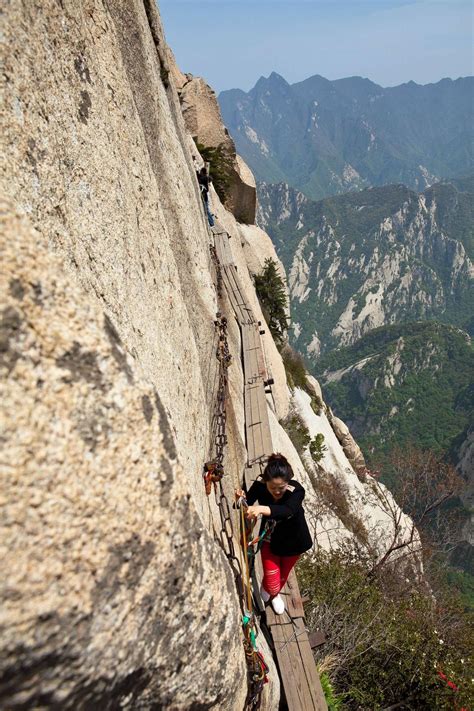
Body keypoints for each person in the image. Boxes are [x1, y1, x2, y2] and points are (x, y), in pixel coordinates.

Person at [236, 453, 312, 615]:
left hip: (295, 542)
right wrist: (242, 499)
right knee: (273, 581)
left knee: (283, 575)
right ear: (266, 481)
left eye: (281, 488)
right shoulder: (260, 484)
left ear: (288, 482)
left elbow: (288, 510)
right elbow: (248, 501)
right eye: (272, 488)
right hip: (271, 539)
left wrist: (262, 509)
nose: (277, 492)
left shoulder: (296, 490)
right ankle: (271, 589)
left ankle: (274, 594)